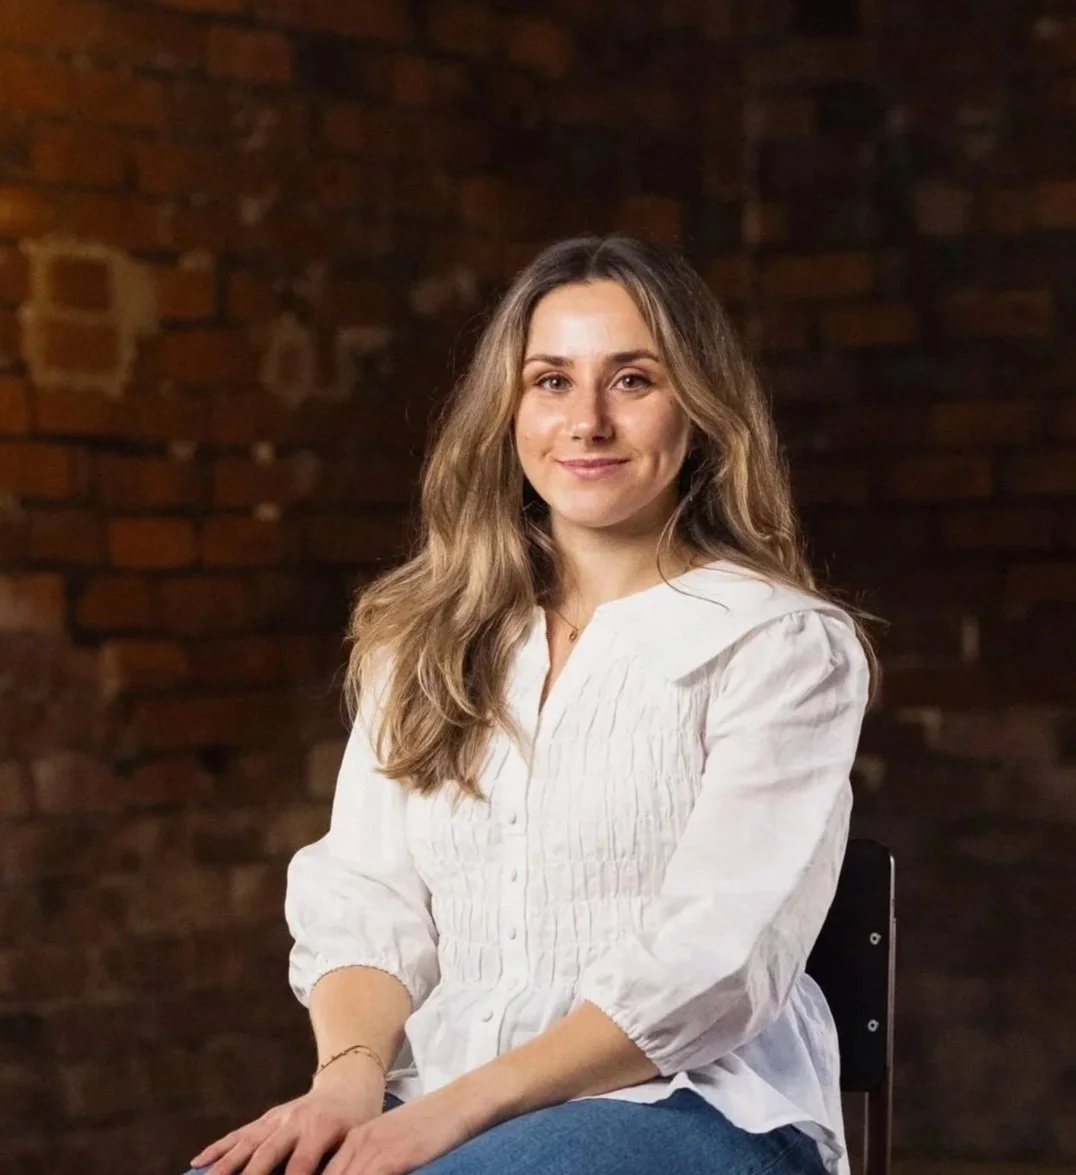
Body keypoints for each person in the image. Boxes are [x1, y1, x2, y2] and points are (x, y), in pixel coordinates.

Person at [188, 235, 876, 1175]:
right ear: (507, 409)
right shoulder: (423, 634)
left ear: (701, 409)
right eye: (550, 380)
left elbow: (712, 960)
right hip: (445, 1100)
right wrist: (347, 1083)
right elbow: (364, 893)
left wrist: (448, 1118)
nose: (585, 420)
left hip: (692, 1103)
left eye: (632, 380)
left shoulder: (779, 644)